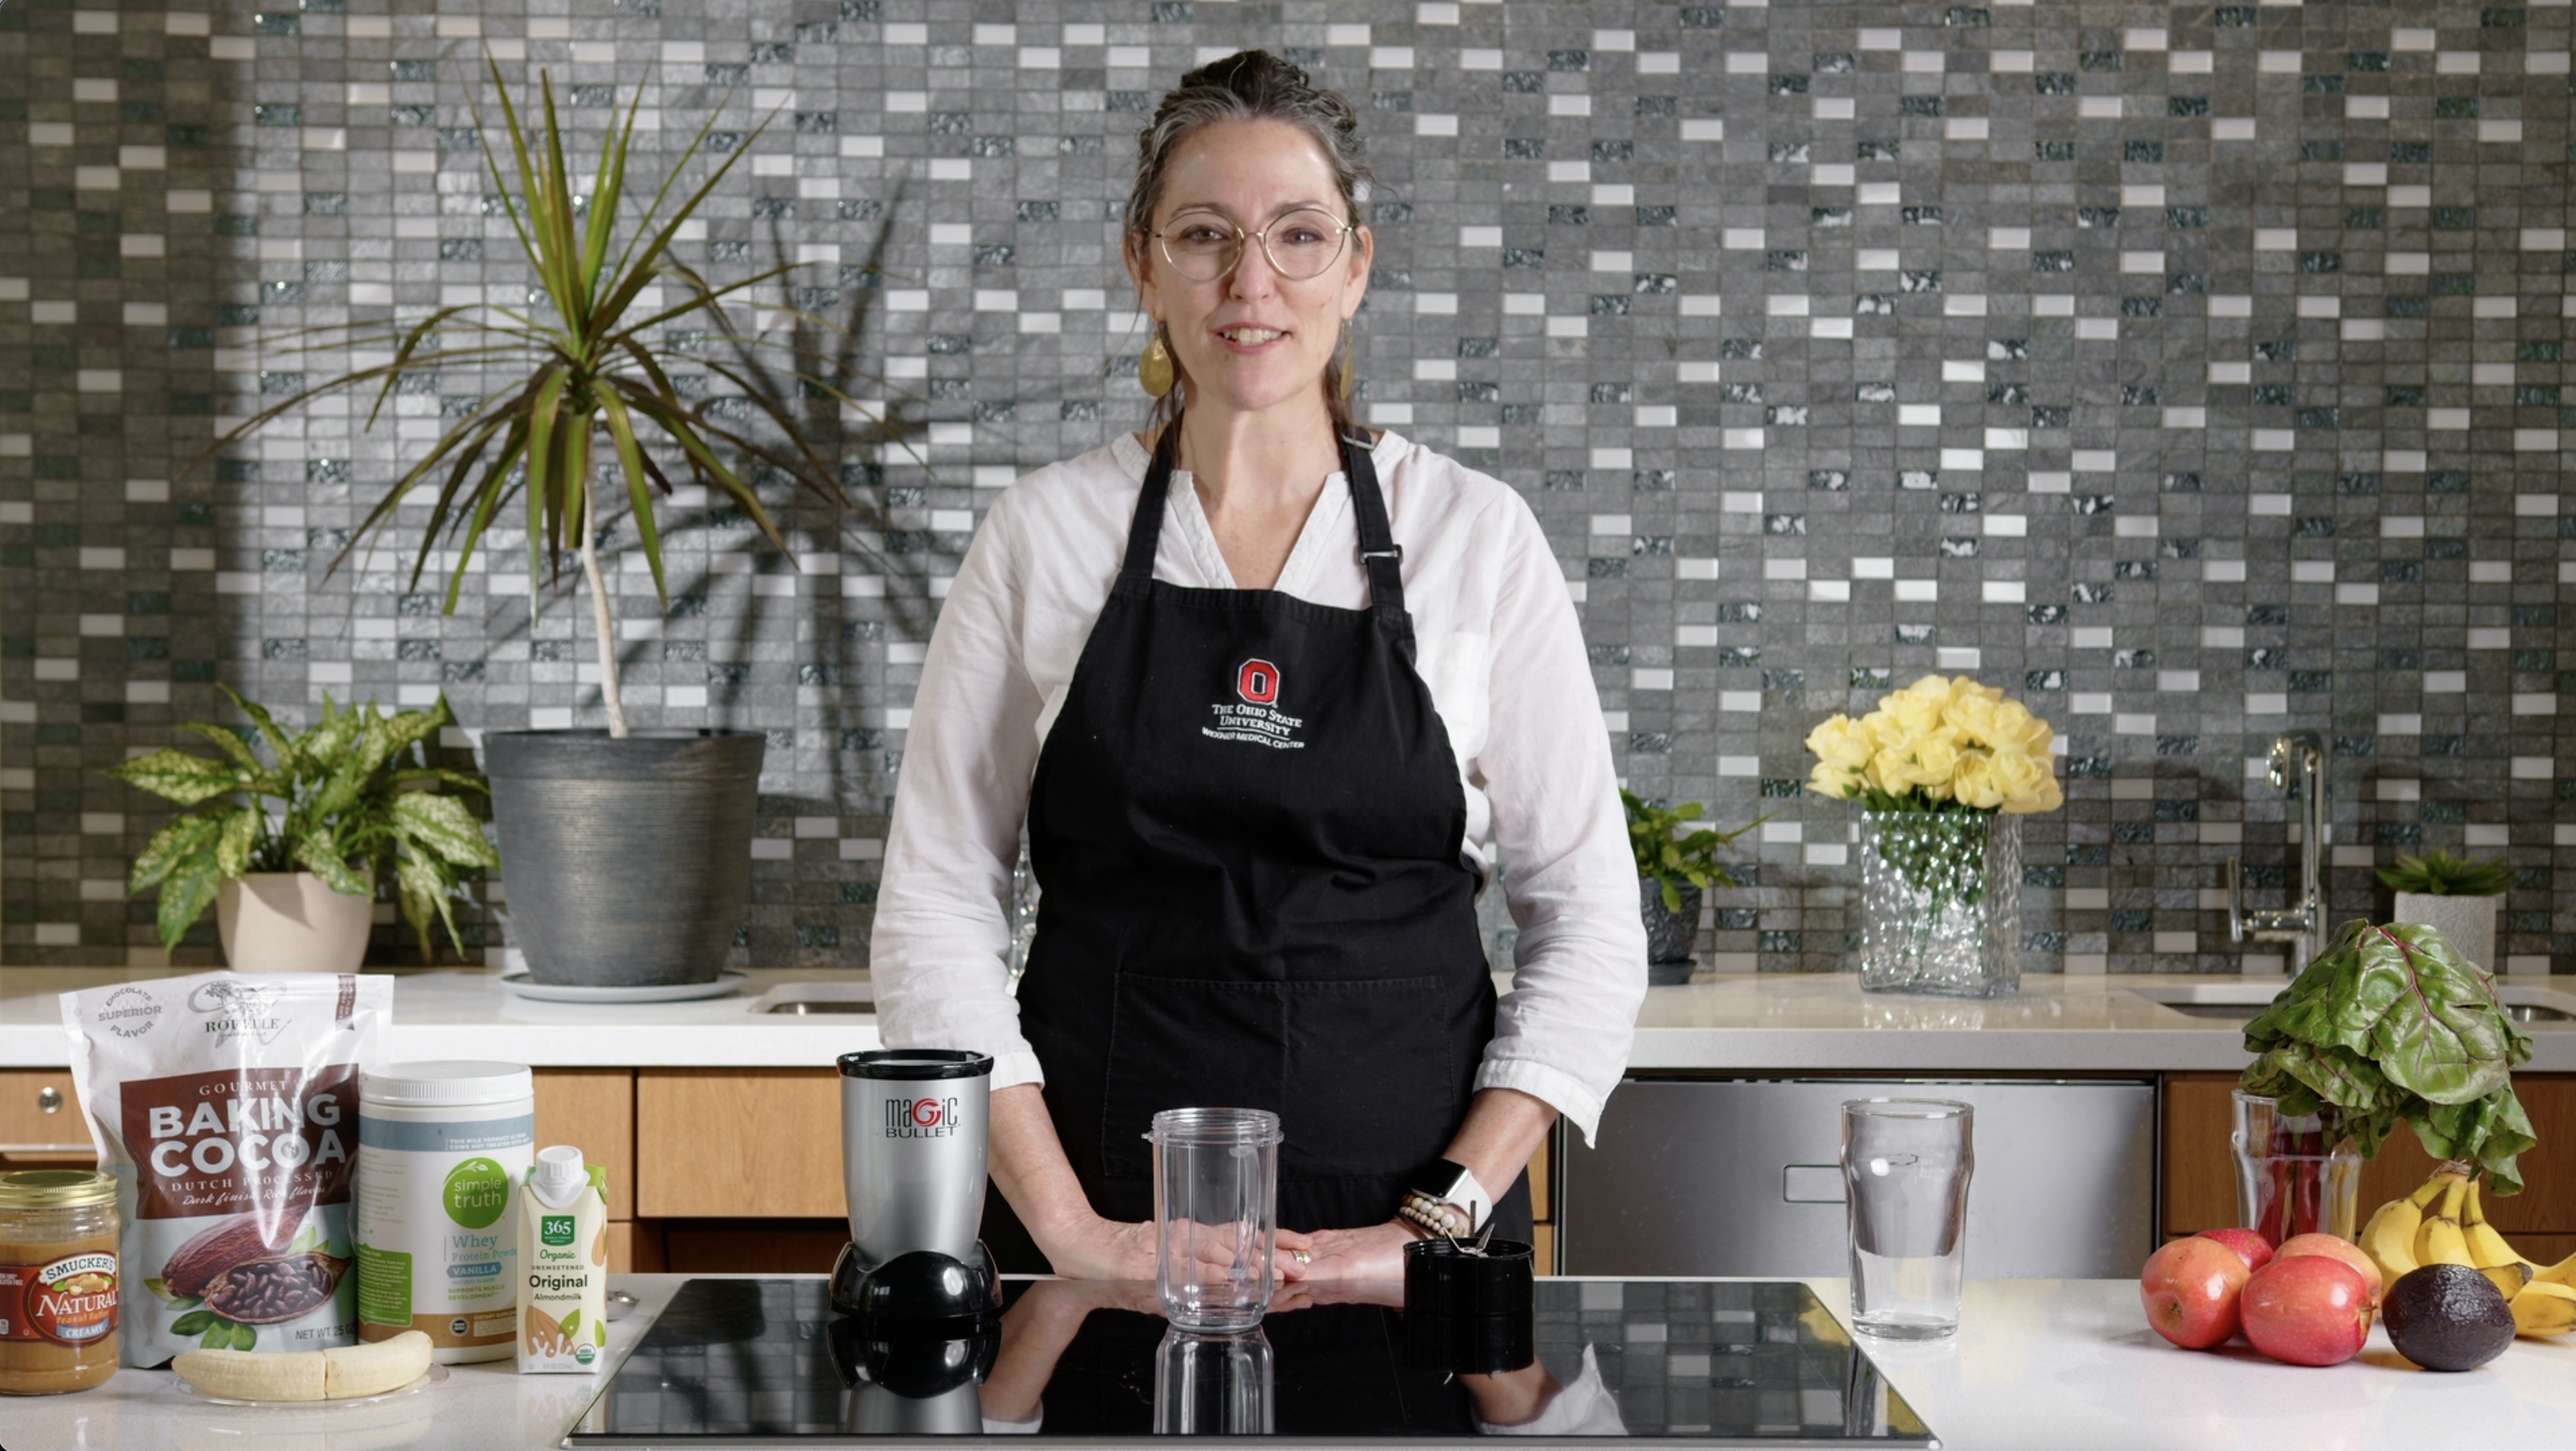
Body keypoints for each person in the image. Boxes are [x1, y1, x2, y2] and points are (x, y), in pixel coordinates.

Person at [871, 49, 1647, 1282]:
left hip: (1416, 1250)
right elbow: (934, 906)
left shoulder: (1474, 537)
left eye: (1297, 235)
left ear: (1356, 265)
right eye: (1203, 235)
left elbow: (1591, 920)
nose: (1250, 283)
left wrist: (1430, 1223)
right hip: (1102, 1244)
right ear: (1143, 265)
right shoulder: (1042, 536)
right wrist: (1075, 1238)